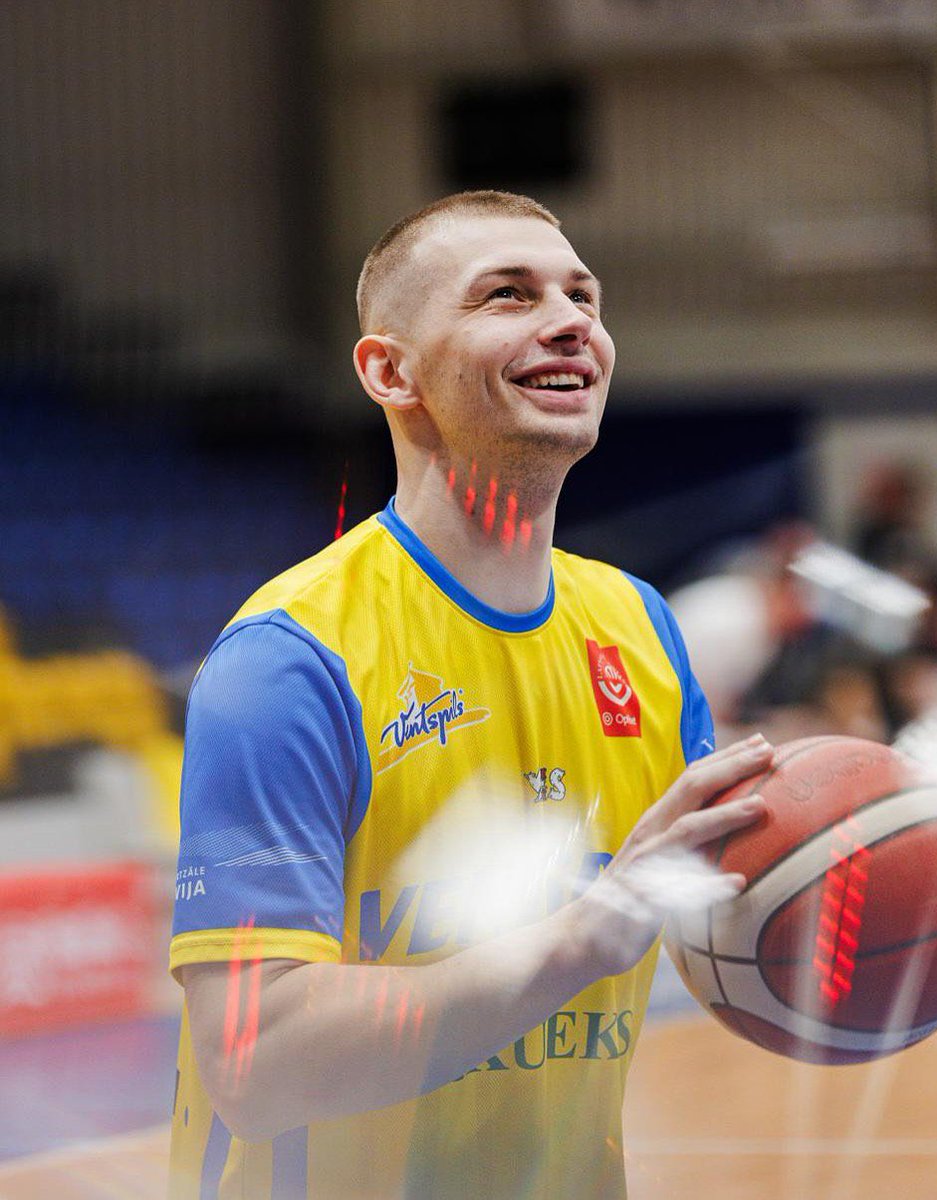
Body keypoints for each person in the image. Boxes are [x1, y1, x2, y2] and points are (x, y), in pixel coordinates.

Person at [167, 190, 772, 1200]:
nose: (571, 318)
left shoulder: (642, 630)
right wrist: (586, 932)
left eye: (584, 295)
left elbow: (725, 927)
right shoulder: (291, 657)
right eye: (508, 294)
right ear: (388, 368)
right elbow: (254, 1064)